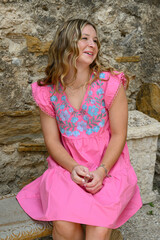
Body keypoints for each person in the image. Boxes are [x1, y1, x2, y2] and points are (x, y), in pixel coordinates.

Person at [17, 19, 142, 240]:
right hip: (67, 168)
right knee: (65, 227)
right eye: (84, 38)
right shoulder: (48, 91)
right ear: (65, 44)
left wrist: (102, 171)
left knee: (99, 230)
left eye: (95, 40)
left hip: (108, 167)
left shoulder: (110, 84)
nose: (92, 44)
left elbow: (119, 135)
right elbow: (53, 142)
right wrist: (73, 167)